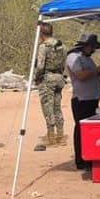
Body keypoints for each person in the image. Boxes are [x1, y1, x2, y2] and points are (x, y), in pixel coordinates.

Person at [66, 33, 100, 169]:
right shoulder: (74, 57)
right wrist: (97, 70)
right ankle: (81, 161)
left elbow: (91, 74)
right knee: (81, 130)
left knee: (90, 131)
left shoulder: (87, 59)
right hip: (81, 100)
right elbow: (80, 75)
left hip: (91, 99)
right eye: (92, 47)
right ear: (86, 46)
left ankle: (90, 157)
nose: (94, 50)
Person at [33, 23, 67, 151]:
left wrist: (37, 78)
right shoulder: (62, 45)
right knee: (57, 107)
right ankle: (60, 134)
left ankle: (51, 136)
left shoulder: (44, 46)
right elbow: (64, 63)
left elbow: (40, 65)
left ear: (42, 34)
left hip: (47, 78)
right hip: (59, 77)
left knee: (48, 107)